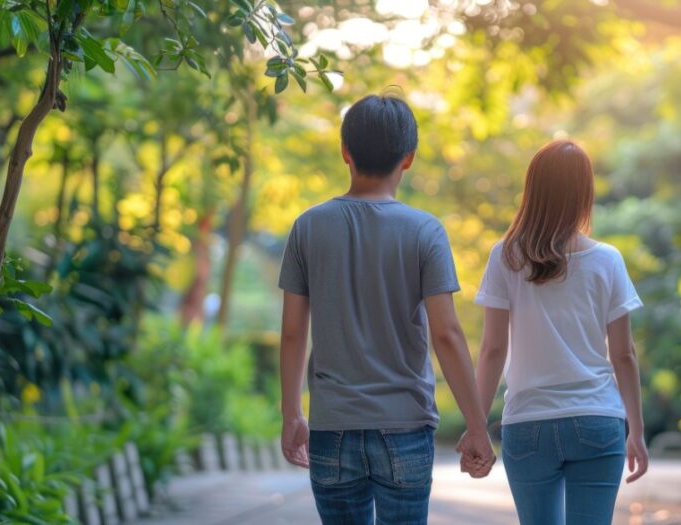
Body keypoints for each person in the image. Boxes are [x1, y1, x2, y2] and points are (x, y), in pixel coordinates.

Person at [277, 94, 494, 525]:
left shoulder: (308, 226)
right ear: (408, 158)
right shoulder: (425, 231)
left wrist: (292, 415)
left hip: (332, 425)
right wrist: (477, 427)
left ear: (345, 152)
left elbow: (292, 334)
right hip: (405, 427)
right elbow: (447, 335)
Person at [463, 140, 650, 525]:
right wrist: (637, 430)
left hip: (528, 423)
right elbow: (623, 355)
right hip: (597, 419)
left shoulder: (506, 256)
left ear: (533, 191)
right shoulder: (607, 260)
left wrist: (477, 427)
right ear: (585, 193)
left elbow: (492, 351)